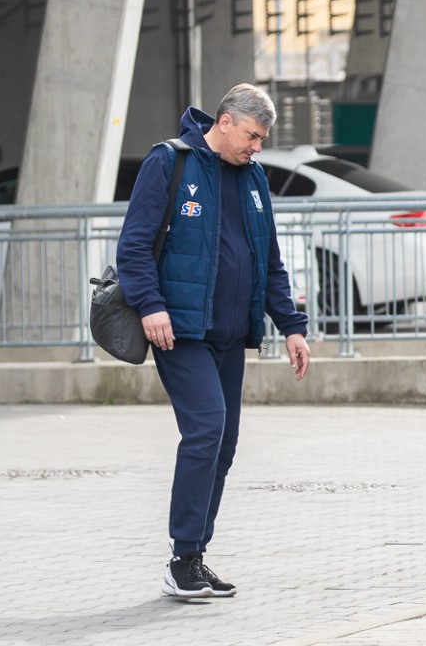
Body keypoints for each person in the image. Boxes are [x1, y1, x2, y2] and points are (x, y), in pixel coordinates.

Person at [116, 83, 311, 601]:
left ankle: (195, 557)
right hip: (180, 330)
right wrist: (152, 305)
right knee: (206, 430)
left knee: (223, 445)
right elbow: (134, 244)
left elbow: (269, 259)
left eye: (263, 139)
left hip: (231, 334)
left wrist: (291, 325)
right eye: (252, 135)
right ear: (225, 122)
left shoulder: (254, 178)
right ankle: (181, 558)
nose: (257, 147)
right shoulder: (170, 163)